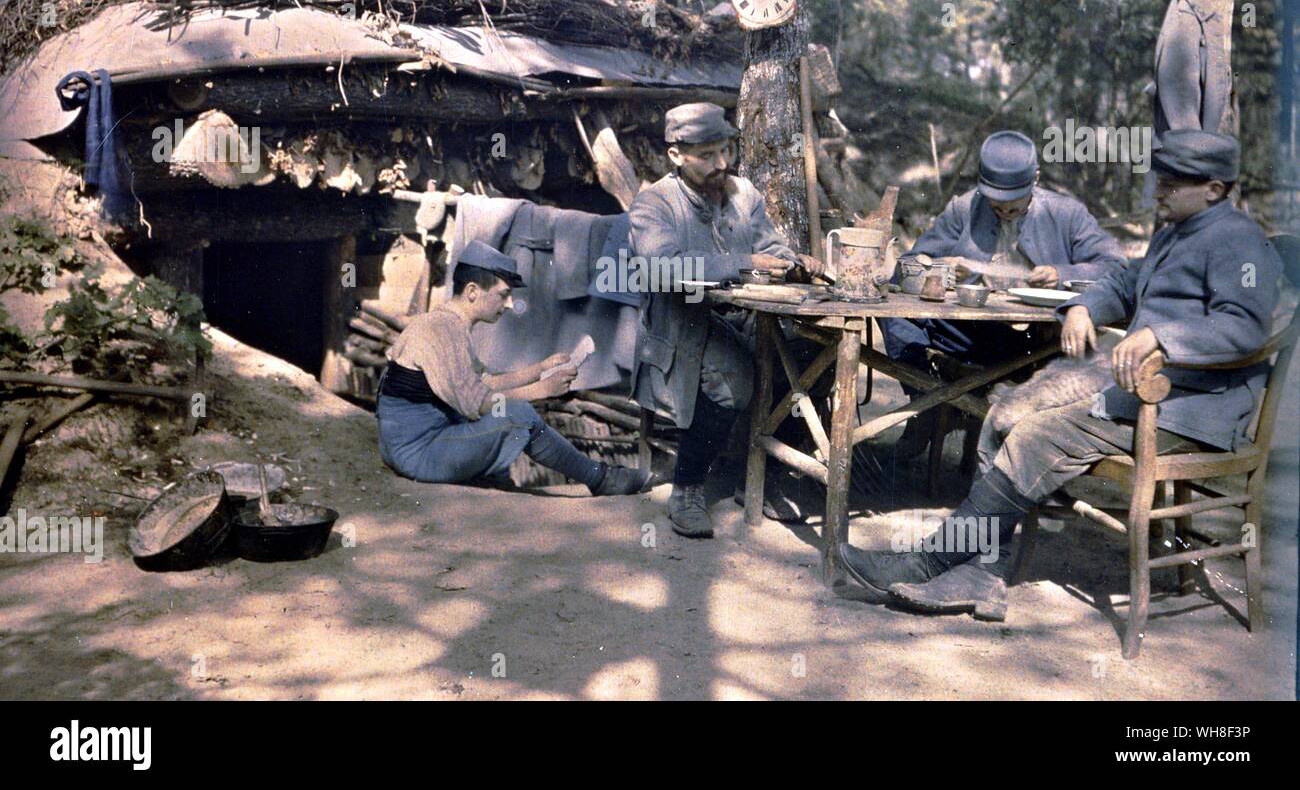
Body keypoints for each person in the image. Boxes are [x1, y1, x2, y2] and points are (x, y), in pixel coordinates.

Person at [838, 130, 1282, 621]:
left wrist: (1160, 337)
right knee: (1003, 413)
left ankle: (928, 562)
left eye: (1173, 184)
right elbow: (1121, 279)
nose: (1159, 191)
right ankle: (983, 575)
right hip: (1146, 391)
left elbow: (1245, 327)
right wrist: (1083, 309)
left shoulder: (1238, 240)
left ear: (1215, 189)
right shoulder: (1176, 232)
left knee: (1037, 435)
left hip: (1189, 408)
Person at [628, 102, 826, 538]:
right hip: (683, 323)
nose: (722, 164)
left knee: (812, 356)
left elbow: (768, 247)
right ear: (676, 155)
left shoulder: (742, 194)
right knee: (733, 379)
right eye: (708, 155)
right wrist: (740, 261)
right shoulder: (654, 203)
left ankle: (762, 475)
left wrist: (792, 263)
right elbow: (662, 269)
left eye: (726, 151)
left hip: (744, 316)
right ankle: (687, 487)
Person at [881, 129, 1127, 456]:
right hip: (973, 333)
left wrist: (1061, 273)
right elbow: (910, 263)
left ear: (1035, 180)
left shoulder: (1067, 214)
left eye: (1013, 207)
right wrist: (941, 268)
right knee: (897, 318)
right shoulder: (965, 208)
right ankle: (924, 402)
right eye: (997, 207)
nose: (1005, 214)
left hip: (1040, 343)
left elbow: (1115, 266)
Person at [376, 240, 647, 496]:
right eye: (503, 294)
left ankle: (585, 477)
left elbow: (484, 381)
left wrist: (540, 369)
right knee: (518, 414)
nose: (508, 304)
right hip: (417, 452)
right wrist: (541, 390)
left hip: (420, 442)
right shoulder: (441, 330)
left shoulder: (448, 323)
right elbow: (480, 402)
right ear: (472, 291)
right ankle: (601, 479)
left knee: (509, 418)